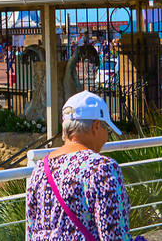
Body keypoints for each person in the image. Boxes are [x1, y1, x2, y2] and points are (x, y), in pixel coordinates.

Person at [26, 91, 146, 240]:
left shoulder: (41, 168)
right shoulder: (102, 168)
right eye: (106, 129)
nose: (107, 136)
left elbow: (31, 228)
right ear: (96, 126)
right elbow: (114, 235)